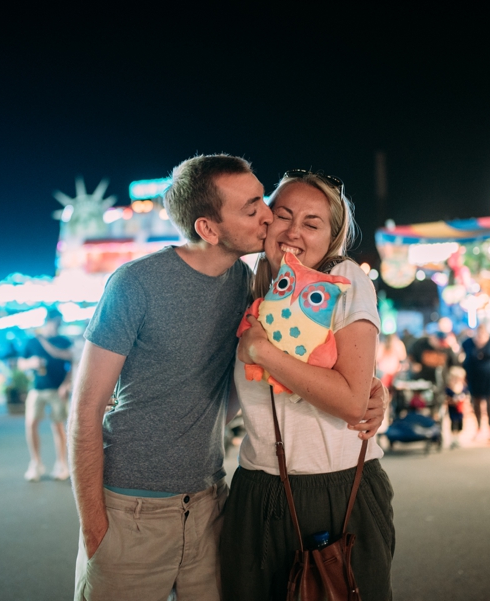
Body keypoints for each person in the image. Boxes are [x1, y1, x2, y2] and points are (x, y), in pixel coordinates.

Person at [68, 156, 389, 601]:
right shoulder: (142, 284)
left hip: (211, 503)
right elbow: (85, 410)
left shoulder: (267, 285)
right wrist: (95, 530)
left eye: (264, 202)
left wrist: (372, 391)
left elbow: (337, 380)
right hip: (136, 509)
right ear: (208, 228)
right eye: (258, 208)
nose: (269, 218)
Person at [220, 170, 395, 601]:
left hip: (341, 491)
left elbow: (353, 401)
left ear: (331, 237)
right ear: (266, 223)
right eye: (283, 216)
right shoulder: (241, 289)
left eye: (312, 223)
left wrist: (265, 354)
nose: (294, 231)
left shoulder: (344, 280)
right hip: (257, 492)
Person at [21, 309, 73, 482]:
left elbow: (72, 364)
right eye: (56, 322)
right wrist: (30, 363)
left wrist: (66, 384)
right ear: (48, 321)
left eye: (60, 323)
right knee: (31, 424)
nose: (58, 326)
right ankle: (35, 463)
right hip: (37, 388)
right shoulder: (32, 342)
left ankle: (61, 464)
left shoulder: (63, 341)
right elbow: (21, 363)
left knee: (57, 426)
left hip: (57, 389)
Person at [461, 327, 490, 442]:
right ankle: (478, 428)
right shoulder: (467, 343)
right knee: (476, 403)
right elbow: (461, 357)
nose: (480, 338)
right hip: (474, 377)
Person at [445, 366, 467, 449]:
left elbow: (466, 396)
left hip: (460, 410)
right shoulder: (449, 389)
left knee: (460, 425)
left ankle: (457, 438)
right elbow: (446, 399)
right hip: (453, 409)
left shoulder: (463, 388)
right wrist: (452, 401)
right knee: (453, 423)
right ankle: (453, 439)